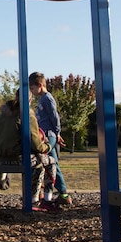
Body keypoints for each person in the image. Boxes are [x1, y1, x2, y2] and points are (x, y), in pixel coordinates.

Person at [0, 96, 57, 208]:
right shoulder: (27, 115)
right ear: (30, 100)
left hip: (0, 157)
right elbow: (36, 144)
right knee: (48, 162)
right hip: (18, 158)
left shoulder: (1, 116)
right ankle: (41, 199)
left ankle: (3, 176)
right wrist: (48, 146)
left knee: (38, 162)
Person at [29, 72, 72, 206]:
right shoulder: (42, 99)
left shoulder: (47, 98)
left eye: (32, 88)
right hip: (44, 135)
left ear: (40, 85)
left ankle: (61, 193)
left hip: (49, 135)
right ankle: (49, 193)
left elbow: (55, 117)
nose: (31, 91)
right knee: (49, 163)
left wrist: (57, 133)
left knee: (50, 164)